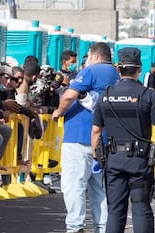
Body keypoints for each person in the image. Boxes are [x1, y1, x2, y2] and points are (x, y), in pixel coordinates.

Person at [92, 47, 155, 233]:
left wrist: (96, 156)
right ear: (139, 69)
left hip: (114, 160)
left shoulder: (106, 95)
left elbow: (96, 131)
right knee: (141, 207)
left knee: (115, 210)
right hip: (139, 161)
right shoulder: (147, 94)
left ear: (118, 69)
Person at [52, 42, 120, 233]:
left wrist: (58, 111)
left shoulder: (91, 71)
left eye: (88, 56)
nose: (86, 60)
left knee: (74, 185)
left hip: (79, 136)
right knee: (99, 189)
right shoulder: (115, 74)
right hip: (102, 140)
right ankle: (103, 226)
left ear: (96, 56)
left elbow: (68, 96)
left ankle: (75, 226)